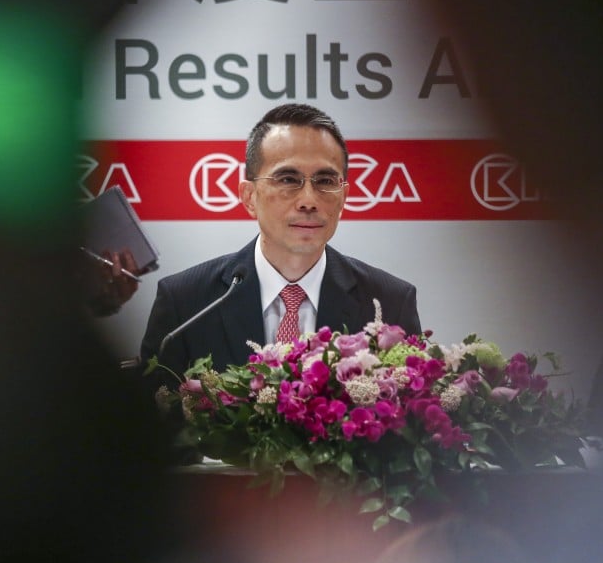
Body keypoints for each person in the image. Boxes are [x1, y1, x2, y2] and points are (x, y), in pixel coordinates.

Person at [140, 103, 421, 378]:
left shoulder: (390, 302)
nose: (309, 201)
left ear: (344, 196)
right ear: (249, 196)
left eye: (325, 181)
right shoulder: (187, 302)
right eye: (288, 179)